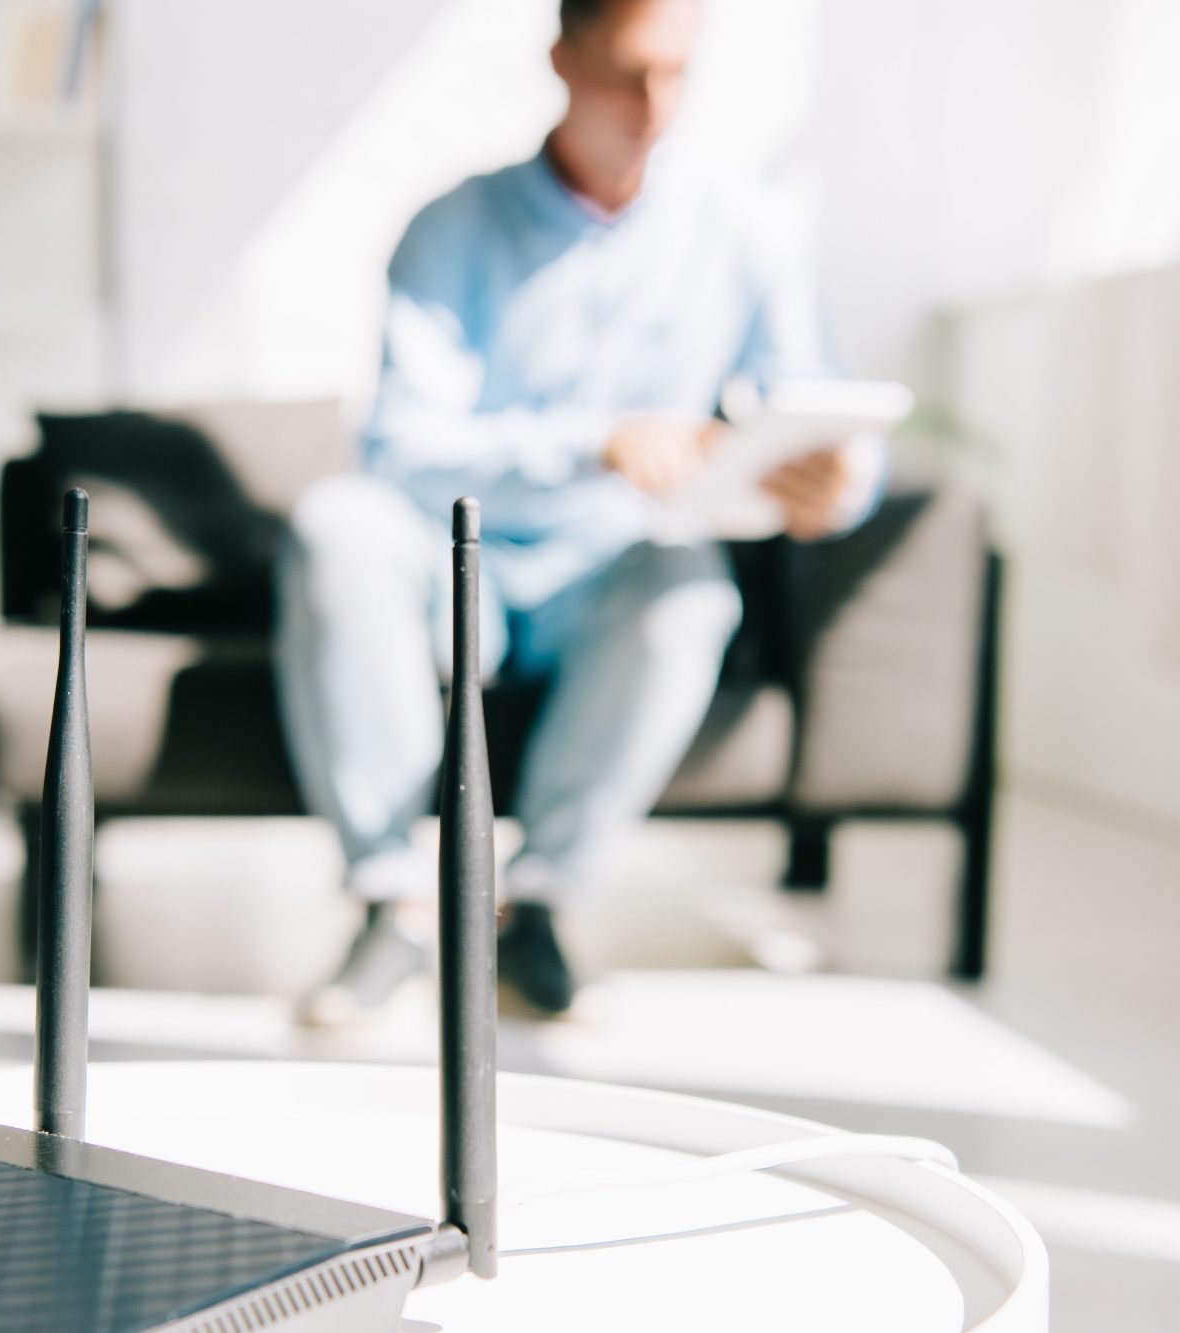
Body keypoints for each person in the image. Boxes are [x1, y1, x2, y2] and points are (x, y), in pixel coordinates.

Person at [278, 0, 880, 1024]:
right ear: (561, 60)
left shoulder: (742, 228)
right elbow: (398, 450)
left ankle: (537, 908)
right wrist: (594, 440)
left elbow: (817, 404)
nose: (653, 107)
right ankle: (392, 906)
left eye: (676, 76)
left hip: (610, 570)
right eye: (625, 73)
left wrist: (841, 480)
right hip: (449, 562)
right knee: (337, 523)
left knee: (690, 592)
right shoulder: (450, 227)